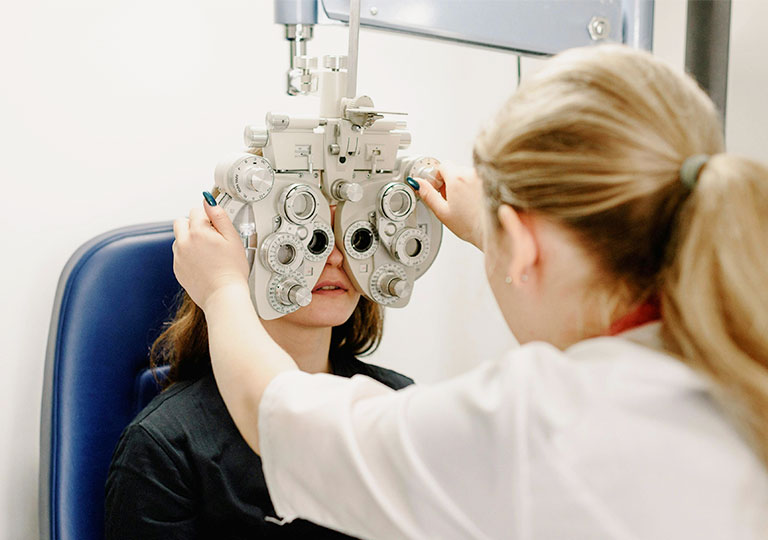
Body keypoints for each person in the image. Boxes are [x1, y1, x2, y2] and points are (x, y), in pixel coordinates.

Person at [171, 44, 768, 539]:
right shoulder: (737, 358)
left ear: (523, 245)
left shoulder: (541, 423)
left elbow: (281, 421)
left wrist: (221, 289)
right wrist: (501, 228)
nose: (329, 256)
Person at [104, 203, 414, 539]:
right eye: (310, 239)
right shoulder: (164, 446)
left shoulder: (397, 402)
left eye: (355, 237)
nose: (336, 258)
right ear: (243, 254)